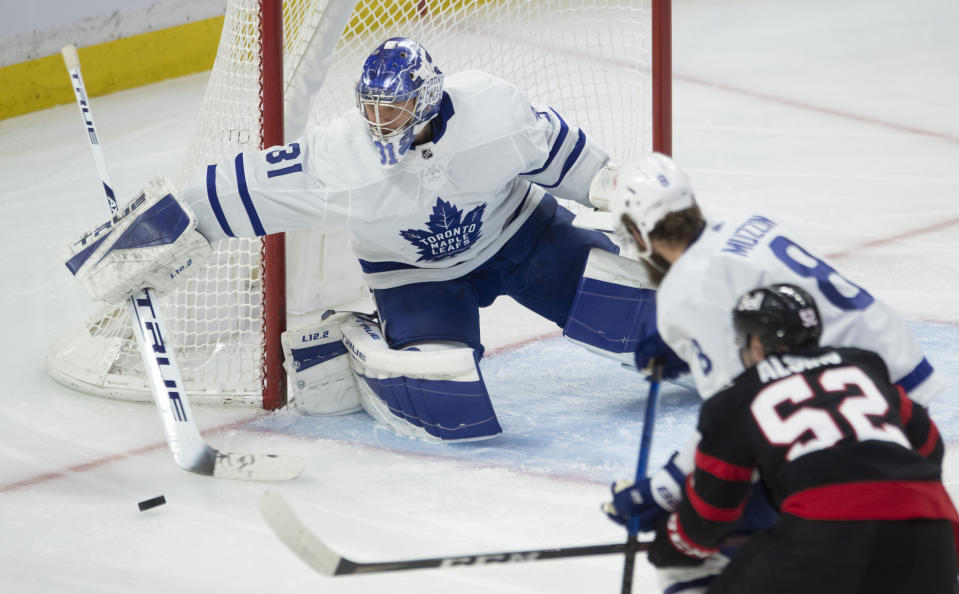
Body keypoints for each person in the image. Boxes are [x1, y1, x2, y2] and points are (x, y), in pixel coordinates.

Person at [65, 37, 668, 442]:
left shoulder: (493, 111)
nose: (379, 123)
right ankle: (358, 337)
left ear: (428, 99)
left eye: (395, 109)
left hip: (523, 239)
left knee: (647, 324)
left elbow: (578, 168)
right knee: (445, 403)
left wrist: (623, 192)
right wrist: (158, 230)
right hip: (413, 274)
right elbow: (243, 185)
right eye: (372, 109)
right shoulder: (341, 155)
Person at [599, 153, 945, 592]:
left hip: (848, 401)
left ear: (637, 232)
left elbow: (736, 420)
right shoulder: (746, 225)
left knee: (697, 549)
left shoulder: (689, 290)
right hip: (890, 384)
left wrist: (663, 491)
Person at [645, 283, 958, 593]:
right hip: (933, 531)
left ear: (756, 344)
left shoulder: (735, 399)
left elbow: (711, 513)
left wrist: (674, 544)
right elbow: (928, 444)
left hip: (825, 539)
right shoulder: (863, 366)